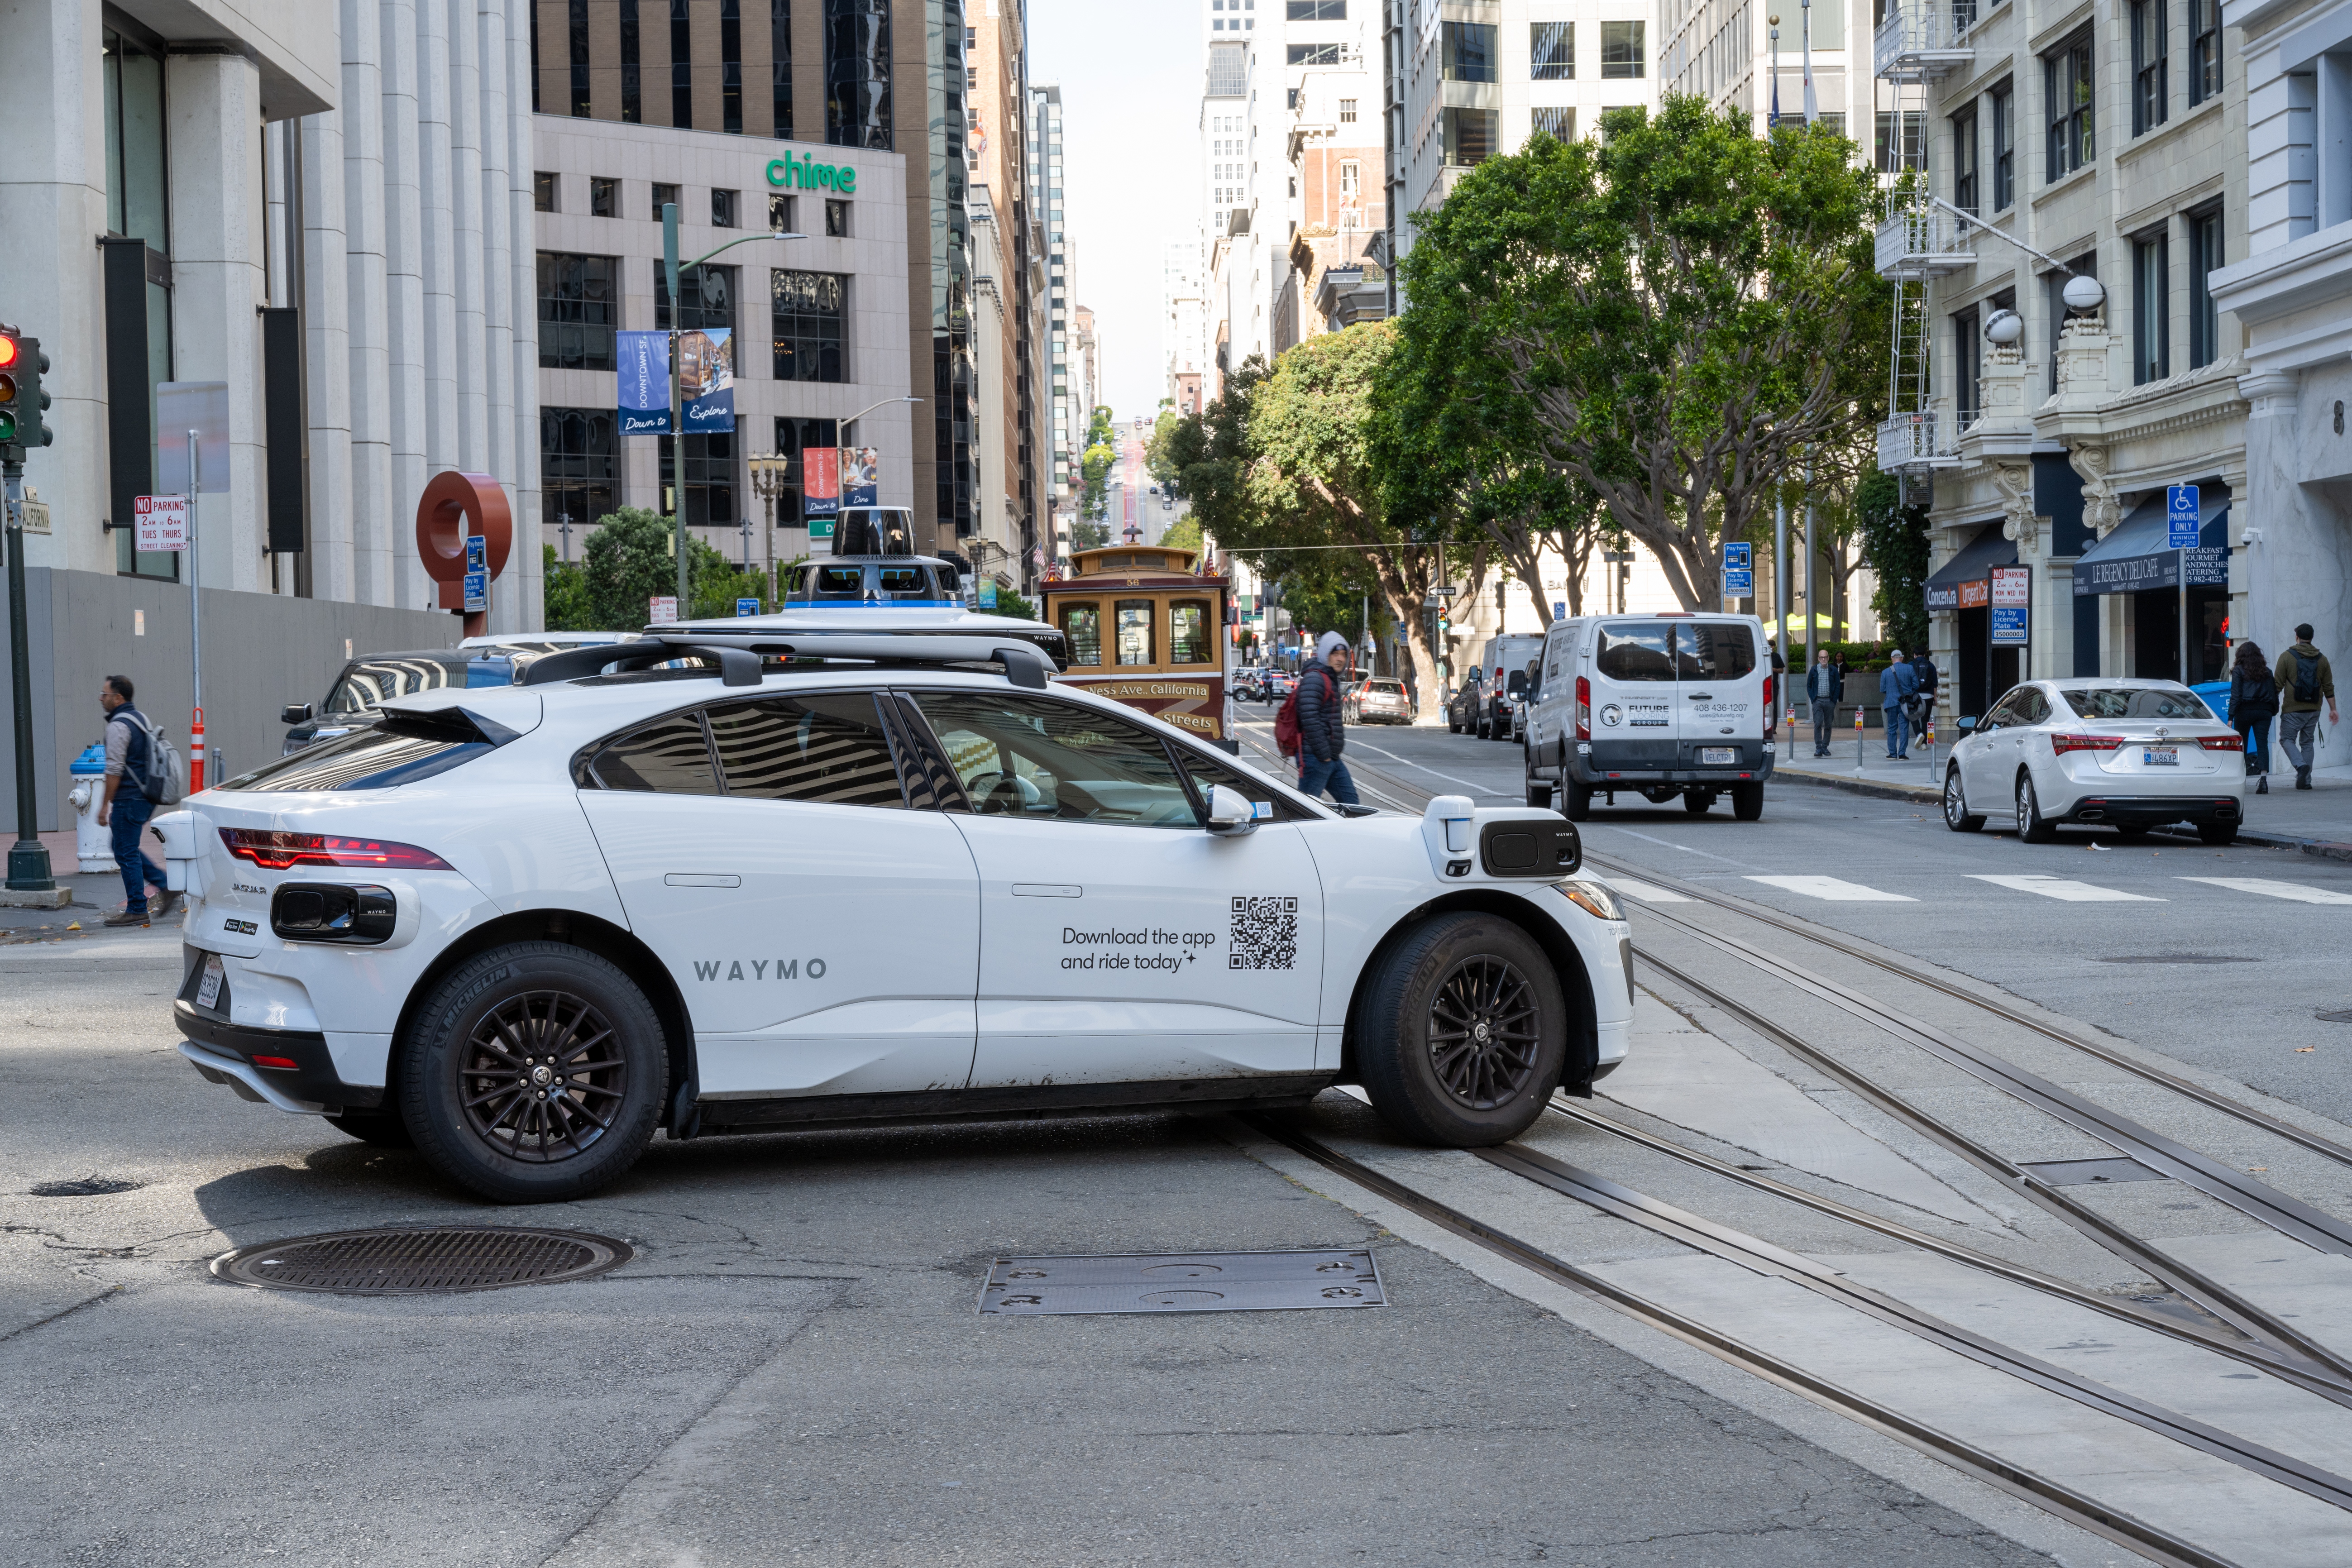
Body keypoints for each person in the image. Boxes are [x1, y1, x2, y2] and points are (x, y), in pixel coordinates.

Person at [96, 675, 177, 928]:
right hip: (144, 796)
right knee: (122, 846)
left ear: (118, 698)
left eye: (105, 694)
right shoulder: (140, 719)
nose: (102, 699)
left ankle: (137, 909)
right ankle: (165, 886)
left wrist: (104, 805)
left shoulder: (119, 726)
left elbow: (114, 770)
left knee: (125, 851)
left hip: (129, 798)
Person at [1294, 630, 1361, 805]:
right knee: (1306, 810)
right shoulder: (1315, 678)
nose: (1340, 659)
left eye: (1343, 655)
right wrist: (1324, 755)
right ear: (1325, 654)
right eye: (1335, 654)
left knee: (1352, 806)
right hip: (1316, 758)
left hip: (1331, 758)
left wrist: (1330, 756)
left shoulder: (1330, 678)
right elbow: (1309, 718)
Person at [2274, 625, 2339, 789]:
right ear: (2312, 638)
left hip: (2292, 709)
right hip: (2314, 709)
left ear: (2297, 637)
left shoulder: (2286, 657)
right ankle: (2306, 782)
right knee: (2308, 743)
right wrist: (2333, 709)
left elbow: (2277, 685)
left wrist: (2271, 705)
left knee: (2287, 739)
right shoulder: (2322, 659)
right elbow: (2329, 687)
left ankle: (2300, 766)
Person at [2229, 640, 2279, 795]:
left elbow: (2236, 696)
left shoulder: (2239, 671)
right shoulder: (2267, 672)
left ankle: (2242, 780)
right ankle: (2263, 781)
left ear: (2241, 655)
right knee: (2262, 745)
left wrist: (2231, 717)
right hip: (2264, 712)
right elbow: (2274, 694)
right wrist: (2273, 711)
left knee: (2242, 745)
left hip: (2244, 711)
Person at [1879, 649, 1920, 760]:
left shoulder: (1886, 672)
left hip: (1891, 703)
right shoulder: (1909, 668)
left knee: (1892, 728)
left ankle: (1892, 754)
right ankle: (1902, 754)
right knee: (1904, 728)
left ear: (1892, 659)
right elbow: (1916, 685)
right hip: (1905, 703)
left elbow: (1882, 689)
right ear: (1902, 658)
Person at [1806, 648, 1842, 757]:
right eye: (1821, 657)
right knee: (1818, 724)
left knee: (1828, 725)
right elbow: (1809, 685)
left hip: (1830, 701)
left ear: (1828, 658)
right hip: (1818, 701)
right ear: (1818, 658)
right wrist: (1813, 699)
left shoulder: (1833, 670)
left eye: (1825, 657)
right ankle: (1818, 747)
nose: (1823, 659)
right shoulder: (1814, 670)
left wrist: (1834, 701)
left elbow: (1837, 686)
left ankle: (1825, 747)